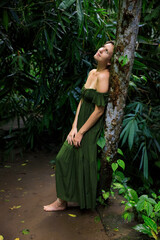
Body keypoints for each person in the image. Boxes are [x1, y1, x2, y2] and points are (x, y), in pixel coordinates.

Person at [43, 41, 114, 211]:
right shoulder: (92, 72)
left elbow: (99, 110)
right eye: (102, 47)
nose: (100, 50)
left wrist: (81, 132)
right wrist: (74, 127)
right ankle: (63, 200)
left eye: (106, 51)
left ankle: (64, 201)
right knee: (64, 159)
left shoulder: (104, 76)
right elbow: (82, 100)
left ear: (110, 61)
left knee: (66, 158)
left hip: (91, 126)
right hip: (80, 124)